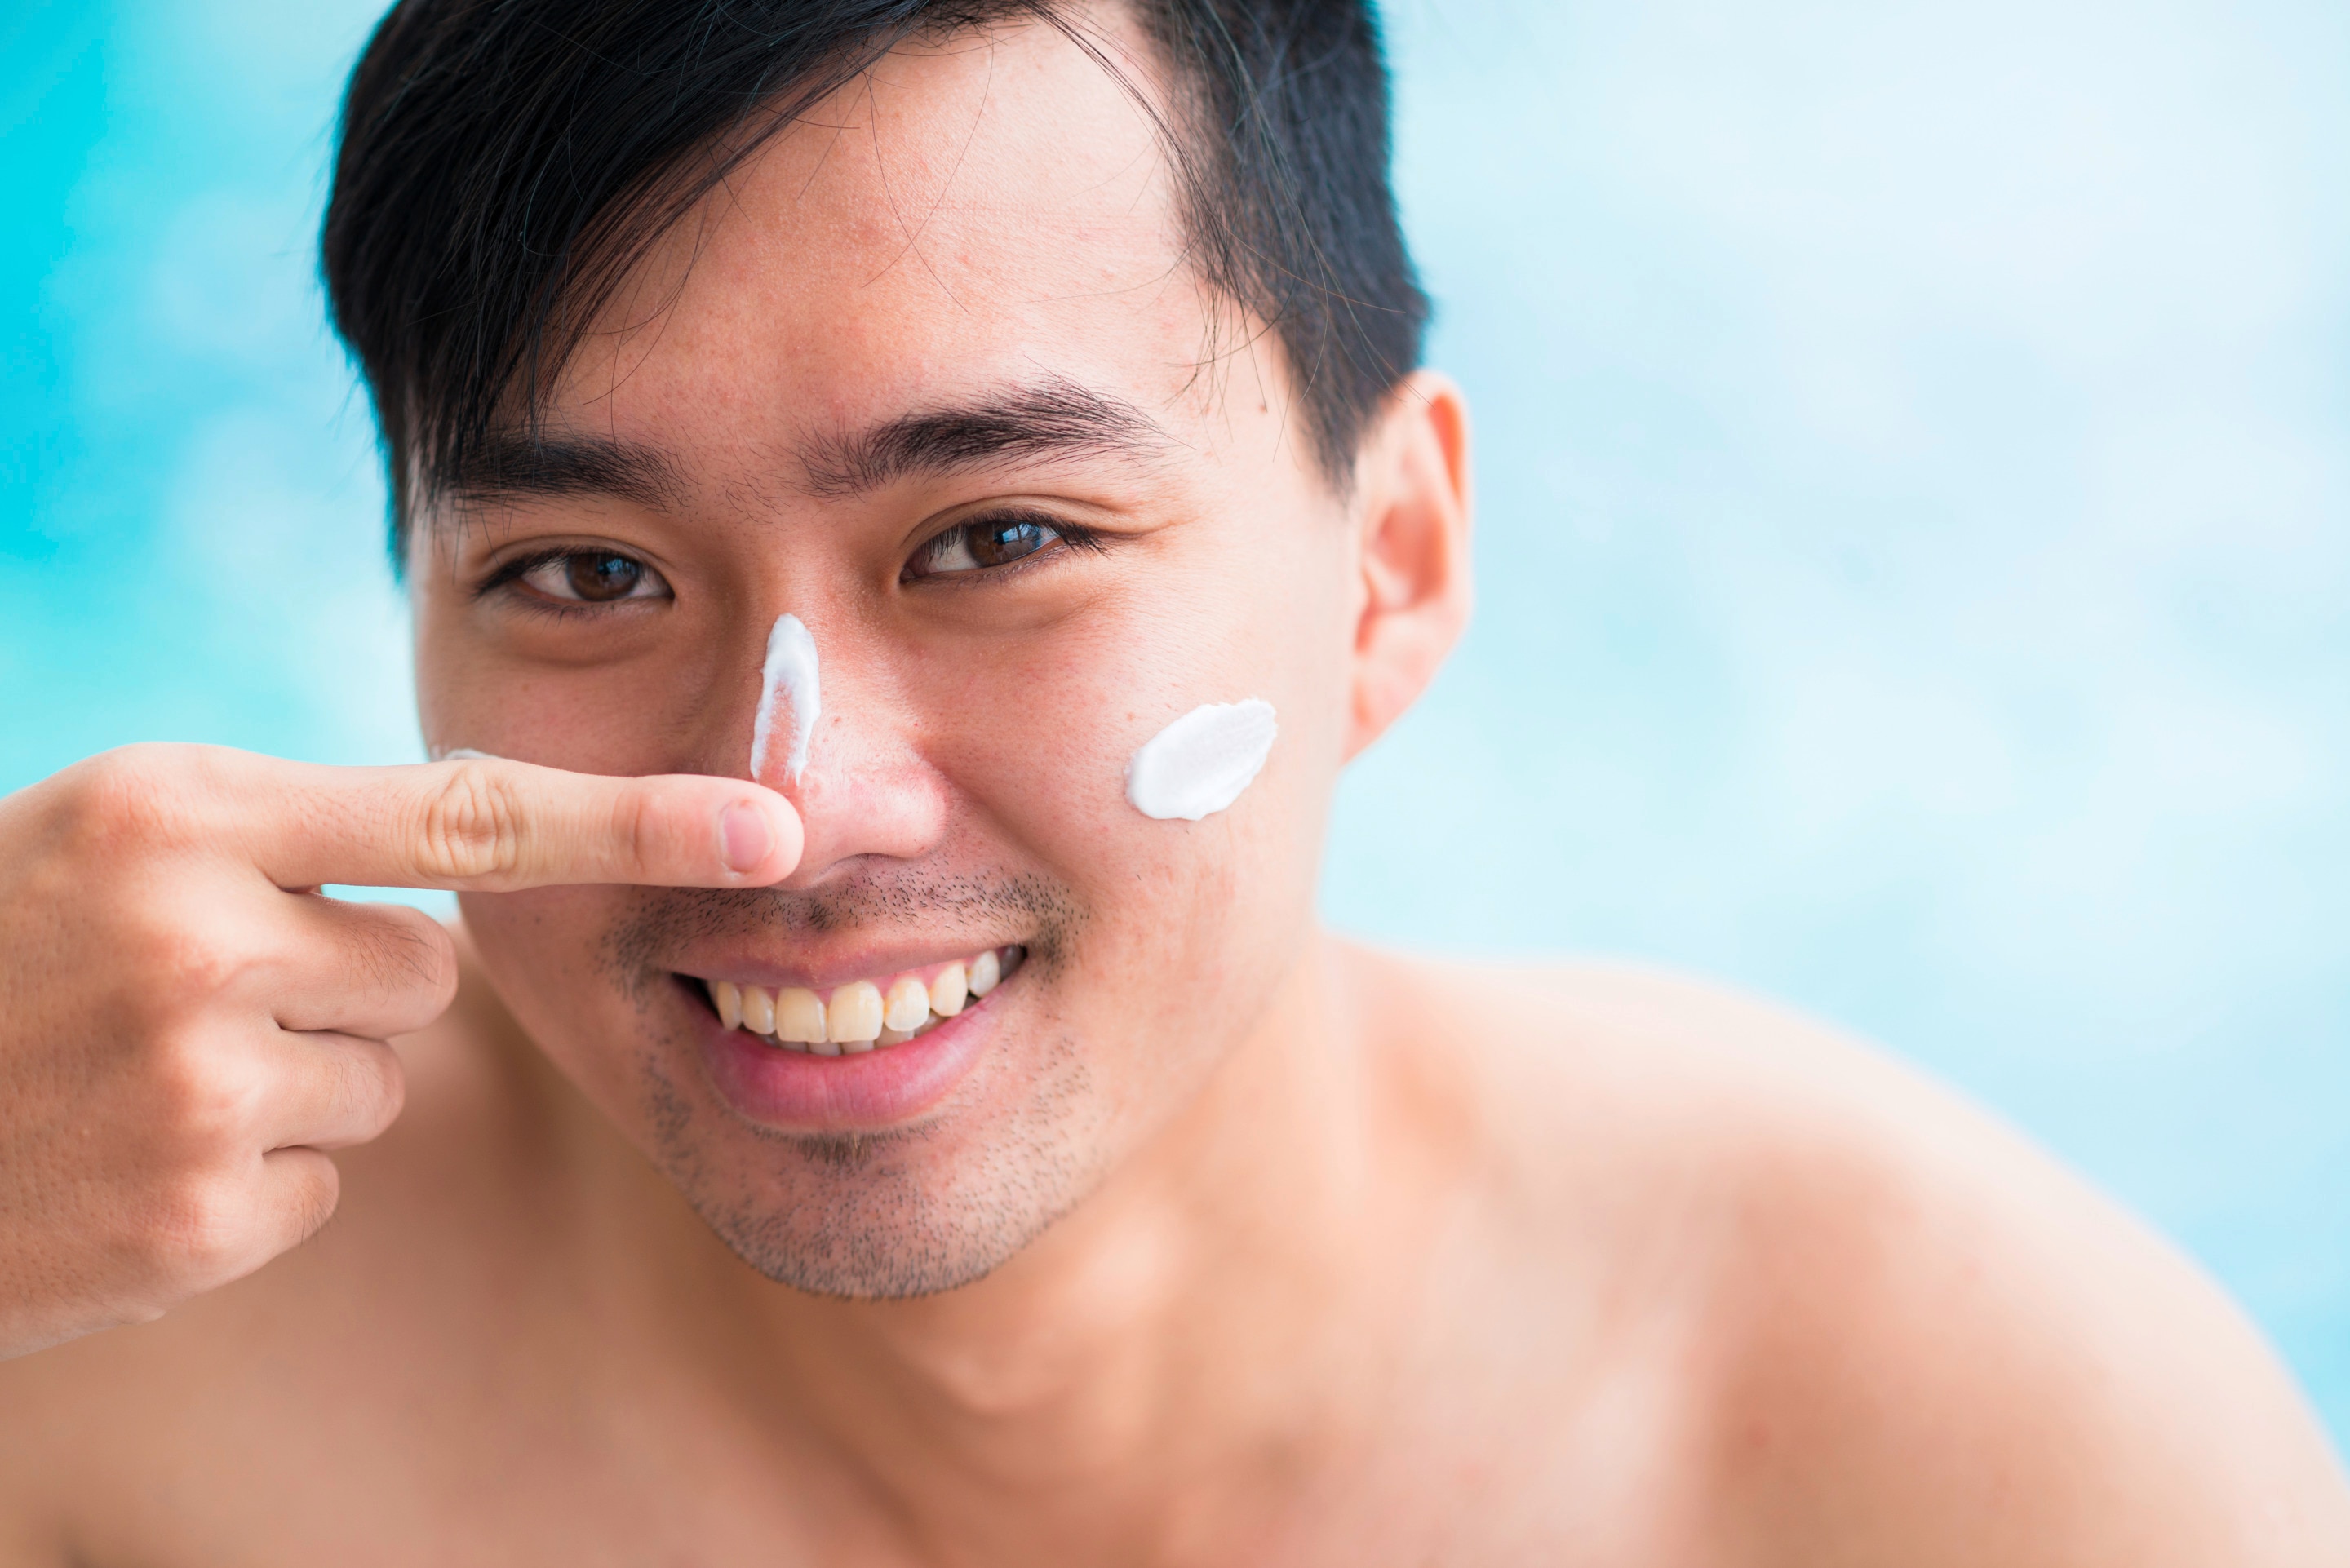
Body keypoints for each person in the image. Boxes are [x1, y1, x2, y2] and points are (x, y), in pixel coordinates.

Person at [1, 0, 2343, 1559]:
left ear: (1390, 569)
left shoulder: (1970, 1448)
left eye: (1000, 539)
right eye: (590, 570)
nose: (789, 805)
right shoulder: (124, 1329)